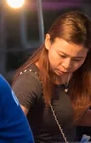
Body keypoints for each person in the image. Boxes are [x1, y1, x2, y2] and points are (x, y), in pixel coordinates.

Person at [12, 11, 91, 143]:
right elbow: (9, 128)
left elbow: (68, 115)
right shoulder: (29, 82)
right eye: (62, 55)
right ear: (48, 42)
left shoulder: (80, 74)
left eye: (77, 59)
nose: (67, 65)